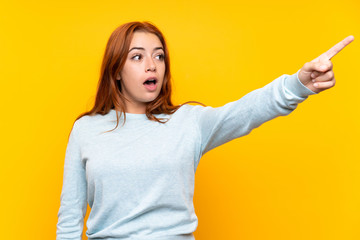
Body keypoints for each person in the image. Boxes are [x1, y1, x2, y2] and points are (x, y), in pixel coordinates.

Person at [56, 21, 354, 240]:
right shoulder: (86, 130)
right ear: (116, 70)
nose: (152, 66)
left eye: (159, 56)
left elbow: (248, 110)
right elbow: (69, 223)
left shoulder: (188, 122)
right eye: (137, 56)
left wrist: (299, 84)